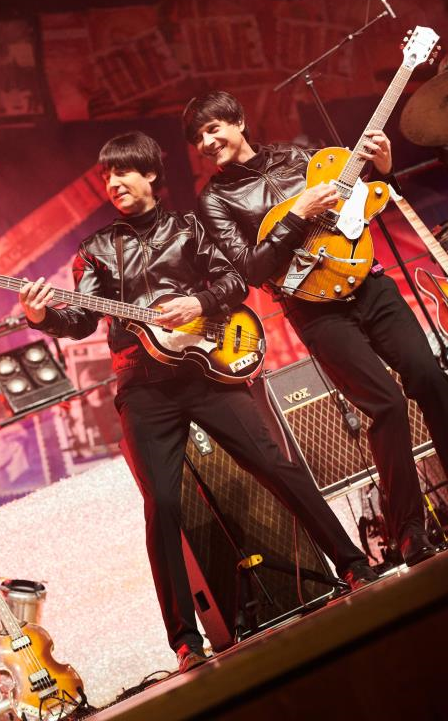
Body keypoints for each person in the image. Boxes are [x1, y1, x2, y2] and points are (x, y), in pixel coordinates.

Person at [19, 130, 376, 673]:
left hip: (207, 371)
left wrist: (198, 303)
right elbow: (82, 319)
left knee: (276, 465)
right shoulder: (95, 250)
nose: (114, 183)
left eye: (123, 172)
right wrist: (42, 315)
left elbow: (235, 282)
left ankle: (351, 564)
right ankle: (186, 642)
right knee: (162, 504)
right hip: (142, 385)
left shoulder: (189, 227)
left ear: (151, 175)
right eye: (107, 176)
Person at [183, 90, 448, 568]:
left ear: (238, 120)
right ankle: (409, 531)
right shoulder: (215, 199)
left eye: (213, 128)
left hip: (369, 285)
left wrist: (382, 171)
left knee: (431, 379)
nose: (207, 142)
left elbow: (358, 207)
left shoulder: (299, 156)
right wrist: (296, 215)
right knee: (386, 404)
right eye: (198, 137)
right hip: (315, 313)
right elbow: (249, 270)